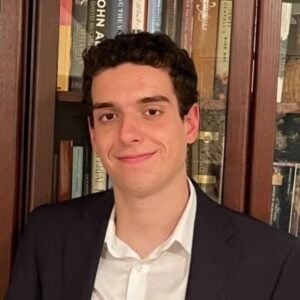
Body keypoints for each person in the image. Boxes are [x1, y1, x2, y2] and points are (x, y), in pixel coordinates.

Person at [6, 32, 300, 300]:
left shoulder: (273, 262)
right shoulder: (48, 236)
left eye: (151, 111)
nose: (128, 134)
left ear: (190, 123)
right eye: (109, 116)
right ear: (94, 134)